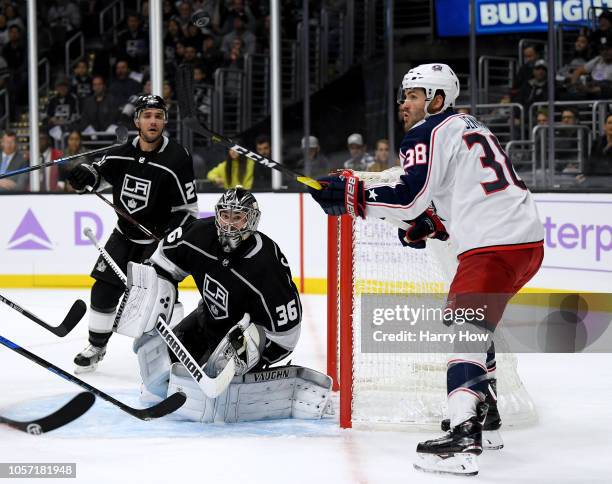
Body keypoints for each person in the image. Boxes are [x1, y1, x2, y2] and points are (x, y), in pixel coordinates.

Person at [308, 63, 544, 476]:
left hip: (492, 244)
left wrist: (353, 195)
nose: (404, 104)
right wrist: (432, 223)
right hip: (525, 242)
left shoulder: (427, 131)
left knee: (464, 330)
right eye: (404, 95)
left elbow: (408, 199)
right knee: (475, 327)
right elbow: (451, 194)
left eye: (413, 95)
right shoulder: (469, 126)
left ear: (436, 99)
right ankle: (484, 415)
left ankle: (462, 436)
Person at [112, 188, 329, 423]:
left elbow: (286, 335)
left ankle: (243, 374)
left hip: (248, 334)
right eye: (225, 215)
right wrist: (156, 299)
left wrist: (256, 357)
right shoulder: (198, 234)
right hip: (208, 319)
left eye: (238, 218)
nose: (229, 224)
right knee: (157, 372)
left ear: (252, 220)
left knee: (221, 375)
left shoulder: (266, 265)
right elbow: (162, 261)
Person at [67, 95, 199, 373]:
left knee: (162, 299)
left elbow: (188, 209)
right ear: (137, 120)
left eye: (159, 116)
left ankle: (172, 354)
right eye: (147, 115)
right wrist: (83, 176)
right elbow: (98, 176)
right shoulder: (120, 152)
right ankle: (96, 347)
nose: (153, 121)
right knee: (102, 290)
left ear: (164, 121)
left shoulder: (177, 157)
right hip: (123, 235)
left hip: (157, 242)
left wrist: (169, 233)